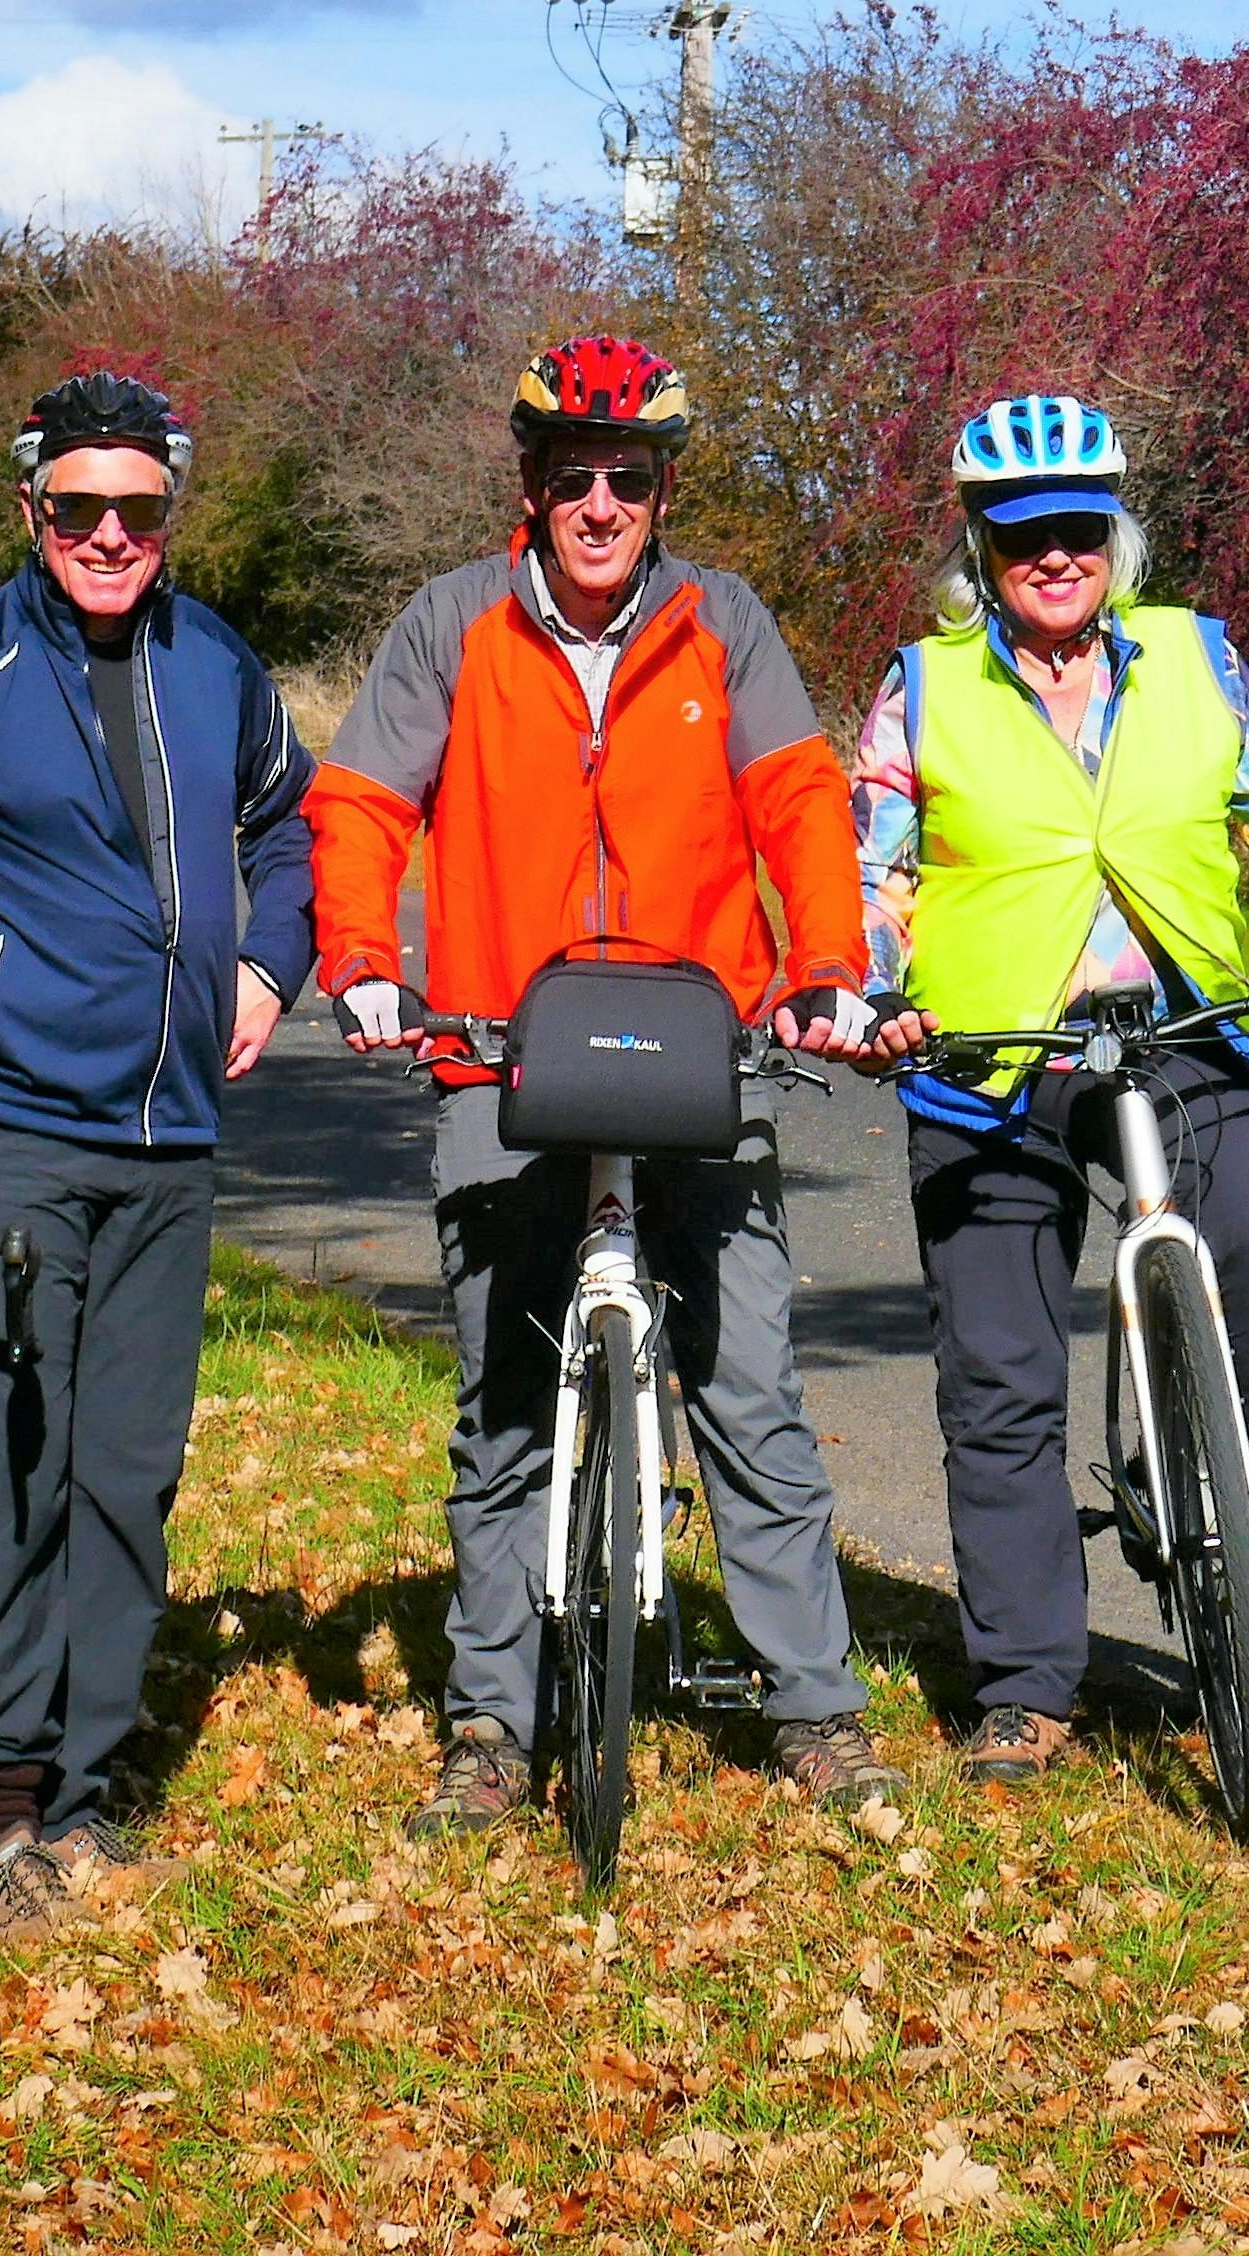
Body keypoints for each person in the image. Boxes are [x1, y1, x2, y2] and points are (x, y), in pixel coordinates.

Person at [304, 336, 902, 1831]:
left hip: (704, 1044)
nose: (600, 507)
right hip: (499, 1049)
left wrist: (829, 960)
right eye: (573, 479)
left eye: (629, 482)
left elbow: (800, 799)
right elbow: (366, 803)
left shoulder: (725, 626)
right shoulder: (453, 626)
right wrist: (366, 956)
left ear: (661, 494)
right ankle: (492, 1733)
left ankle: (815, 1713)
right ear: (531, 487)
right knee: (505, 1408)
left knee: (752, 1393)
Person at [860, 393, 1249, 1784]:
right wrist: (870, 990)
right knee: (998, 1378)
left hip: (1182, 1027)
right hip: (989, 1052)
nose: (1054, 557)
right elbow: (871, 858)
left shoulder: (1192, 656)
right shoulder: (926, 681)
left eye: (1077, 530)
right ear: (981, 550)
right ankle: (1027, 1688)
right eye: (1022, 536)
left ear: (1116, 535)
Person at [0, 371, 315, 1938]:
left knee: (124, 1481)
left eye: (142, 510)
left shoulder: (219, 663)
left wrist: (270, 964)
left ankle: (87, 1790)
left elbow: (288, 827)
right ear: (30, 509)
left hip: (169, 1137)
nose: (113, 535)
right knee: (5, 1473)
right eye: (81, 509)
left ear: (171, 511)